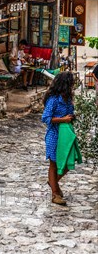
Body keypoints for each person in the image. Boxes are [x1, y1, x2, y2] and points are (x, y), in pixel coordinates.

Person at [42, 72, 80, 206]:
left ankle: (53, 182)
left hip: (65, 135)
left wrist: (72, 116)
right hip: (54, 135)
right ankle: (55, 194)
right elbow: (46, 118)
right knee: (54, 164)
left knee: (69, 161)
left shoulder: (68, 99)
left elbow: (69, 113)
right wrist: (63, 119)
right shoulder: (53, 99)